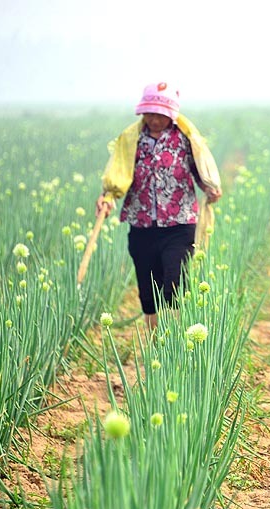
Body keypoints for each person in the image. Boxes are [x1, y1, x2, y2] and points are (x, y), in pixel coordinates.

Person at [95, 82, 222, 331]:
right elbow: (119, 173)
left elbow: (199, 169)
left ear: (171, 114)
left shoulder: (185, 139)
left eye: (160, 114)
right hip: (142, 225)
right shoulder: (131, 140)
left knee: (175, 281)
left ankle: (174, 338)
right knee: (148, 285)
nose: (154, 119)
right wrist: (107, 197)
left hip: (179, 223)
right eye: (149, 113)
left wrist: (210, 187)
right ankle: (155, 341)